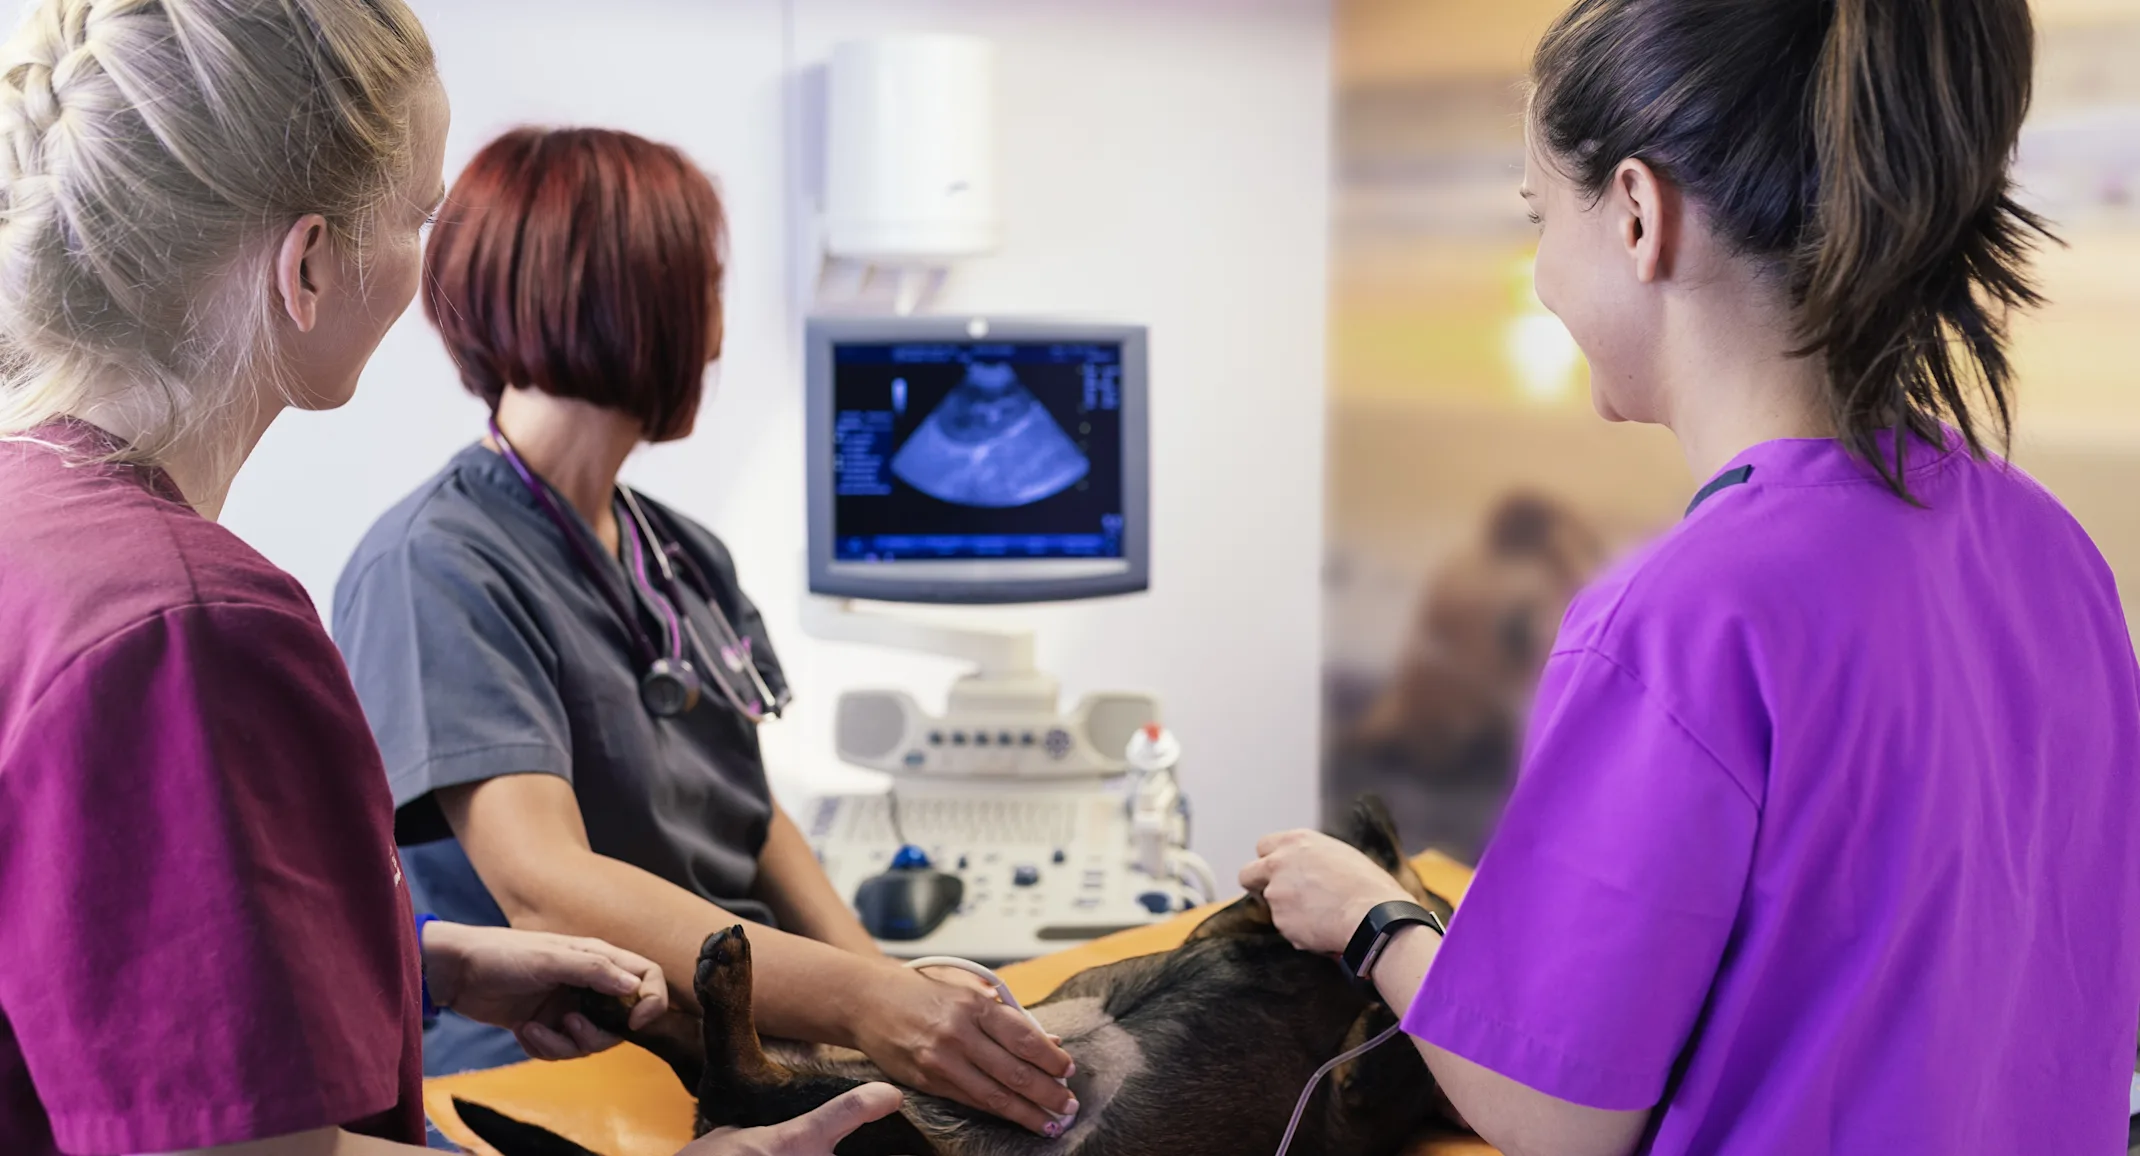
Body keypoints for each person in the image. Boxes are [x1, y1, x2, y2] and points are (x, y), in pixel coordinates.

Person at [1243, 0, 2140, 1154]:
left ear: (1633, 216)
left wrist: (1373, 920)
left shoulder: (1683, 617)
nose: (1539, 275)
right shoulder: (2048, 548)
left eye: (1536, 216)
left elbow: (1557, 1113)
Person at [0, 2, 897, 1154]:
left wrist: (425, 961)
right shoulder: (193, 629)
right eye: (420, 213)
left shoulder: (38, 529)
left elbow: (87, 954)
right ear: (310, 263)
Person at [329, 127, 1078, 1138]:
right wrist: (867, 1006)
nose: (719, 331)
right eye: (707, 283)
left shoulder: (679, 551)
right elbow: (545, 887)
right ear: (632, 295)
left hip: (753, 1033)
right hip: (570, 1072)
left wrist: (894, 988)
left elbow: (750, 816)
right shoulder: (436, 561)